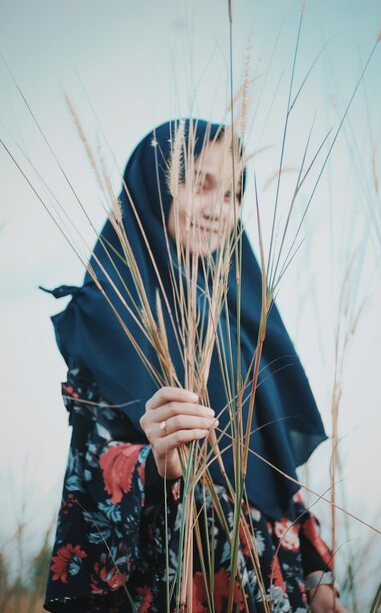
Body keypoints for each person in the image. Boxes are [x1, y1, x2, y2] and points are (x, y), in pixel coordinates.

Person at [43, 119, 349, 613]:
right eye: (199, 184)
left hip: (269, 584)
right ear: (152, 186)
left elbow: (273, 471)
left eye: (231, 194)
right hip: (174, 581)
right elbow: (88, 466)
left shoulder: (238, 317)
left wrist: (316, 573)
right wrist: (156, 463)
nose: (217, 209)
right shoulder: (106, 311)